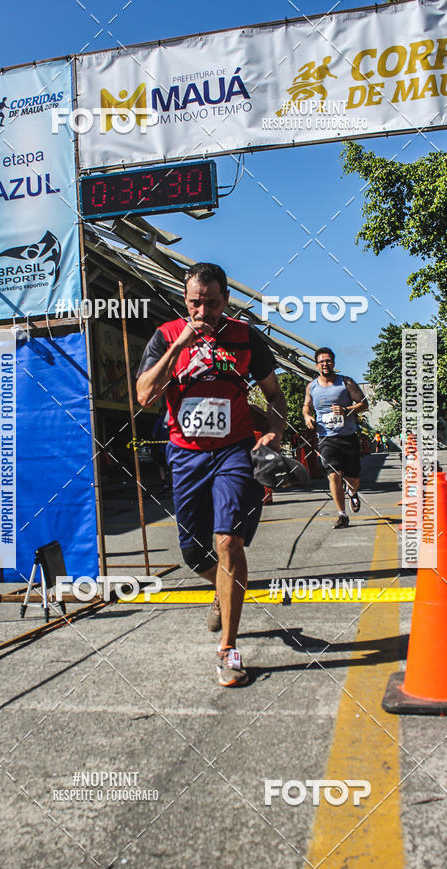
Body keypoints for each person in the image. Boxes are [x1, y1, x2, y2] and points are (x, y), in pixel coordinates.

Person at [136, 262, 286, 687]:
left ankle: (229, 649)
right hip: (185, 457)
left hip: (234, 451)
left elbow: (274, 396)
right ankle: (222, 592)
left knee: (228, 541)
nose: (203, 311)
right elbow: (145, 396)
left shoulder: (244, 336)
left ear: (226, 300)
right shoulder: (166, 336)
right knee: (194, 554)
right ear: (186, 301)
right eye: (195, 303)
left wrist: (274, 429)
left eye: (212, 303)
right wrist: (181, 342)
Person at [302, 347, 368, 529]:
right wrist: (308, 417)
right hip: (326, 438)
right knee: (333, 475)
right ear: (316, 365)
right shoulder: (312, 386)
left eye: (328, 361)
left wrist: (346, 409)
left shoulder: (346, 383)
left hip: (348, 436)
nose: (325, 364)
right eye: (322, 361)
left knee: (353, 478)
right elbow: (306, 406)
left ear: (334, 363)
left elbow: (364, 403)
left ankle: (352, 493)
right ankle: (342, 515)